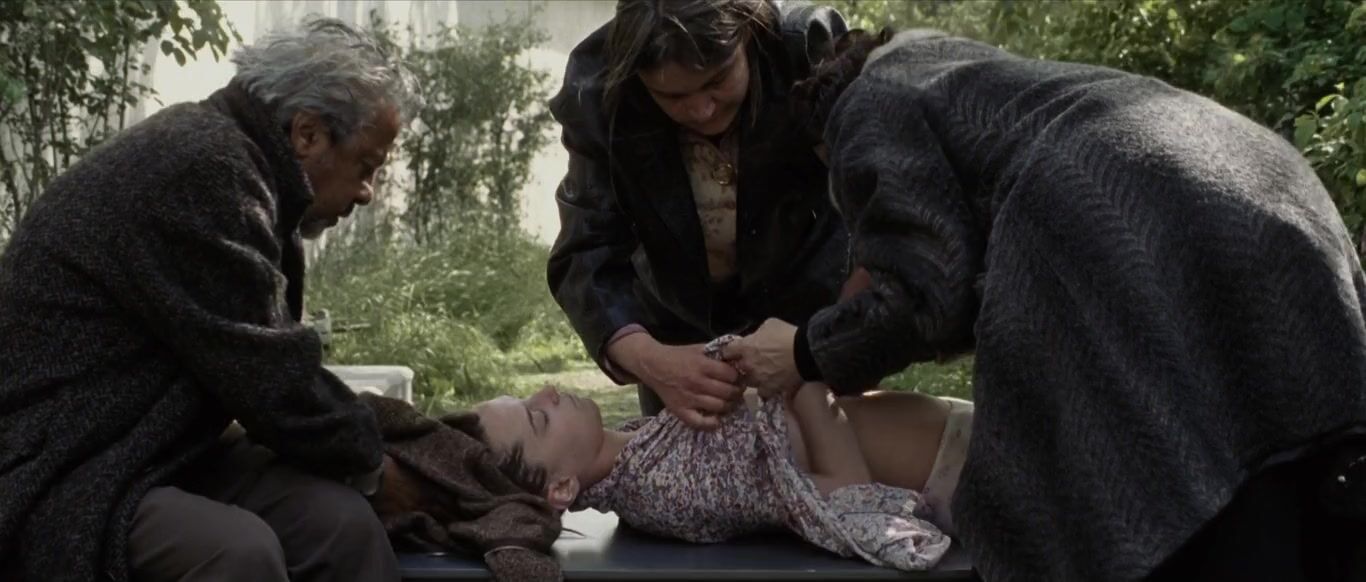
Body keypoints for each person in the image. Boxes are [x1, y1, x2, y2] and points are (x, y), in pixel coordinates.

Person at [721, 28, 1366, 581]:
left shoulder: (867, 101)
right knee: (1291, 479)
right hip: (1267, 179)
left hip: (1117, 208)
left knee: (1137, 511)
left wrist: (805, 351)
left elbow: (927, 290)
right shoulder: (976, 77)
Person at [0, 18, 417, 582]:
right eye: (366, 167)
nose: (367, 193)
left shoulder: (248, 168)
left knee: (340, 525)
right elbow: (269, 377)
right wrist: (378, 468)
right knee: (235, 552)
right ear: (307, 134)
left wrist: (369, 464)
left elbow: (269, 368)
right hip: (68, 462)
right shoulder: (203, 167)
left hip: (156, 445)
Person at [547, 0, 852, 429]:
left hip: (809, 317)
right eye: (672, 96)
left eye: (717, 81)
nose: (702, 110)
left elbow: (875, 210)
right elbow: (586, 248)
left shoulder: (804, 51)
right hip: (677, 338)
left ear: (748, 33)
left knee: (831, 453)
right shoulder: (597, 89)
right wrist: (651, 360)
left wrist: (822, 342)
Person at [451, 368, 973, 572]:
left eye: (527, 396)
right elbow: (848, 498)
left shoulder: (642, 447)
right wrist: (803, 377)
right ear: (562, 487)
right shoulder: (672, 482)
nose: (546, 391)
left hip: (956, 438)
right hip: (956, 466)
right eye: (537, 418)